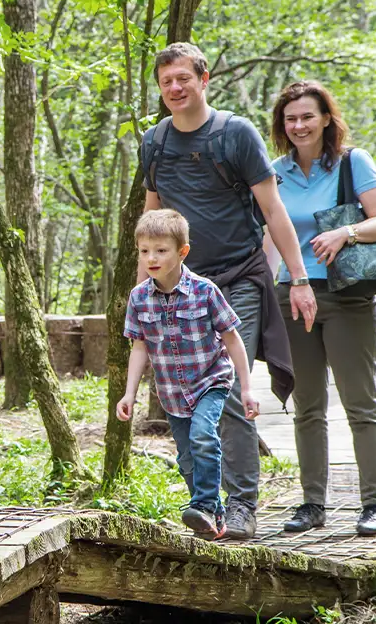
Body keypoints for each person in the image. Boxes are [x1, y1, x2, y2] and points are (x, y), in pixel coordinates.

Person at [138, 42, 314, 540]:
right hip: (179, 290)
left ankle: (241, 507)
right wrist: (143, 290)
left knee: (231, 390)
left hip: (238, 280)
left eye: (183, 79)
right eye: (166, 81)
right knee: (183, 399)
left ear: (204, 78)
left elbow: (274, 210)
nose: (175, 89)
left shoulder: (234, 134)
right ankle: (205, 504)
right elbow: (151, 222)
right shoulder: (153, 143)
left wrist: (298, 279)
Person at [268, 81, 376, 536]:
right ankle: (312, 504)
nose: (299, 125)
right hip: (290, 296)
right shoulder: (275, 171)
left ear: (325, 119)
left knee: (361, 403)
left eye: (307, 116)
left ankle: (373, 503)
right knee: (307, 406)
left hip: (347, 295)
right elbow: (268, 237)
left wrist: (346, 233)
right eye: (290, 118)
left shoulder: (351, 163)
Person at [118, 210, 261, 539]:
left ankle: (205, 504)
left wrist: (247, 388)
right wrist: (129, 394)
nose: (151, 258)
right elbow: (139, 347)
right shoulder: (139, 298)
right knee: (186, 457)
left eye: (161, 250)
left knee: (202, 436)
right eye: (144, 251)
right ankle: (211, 517)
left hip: (211, 381)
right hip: (171, 390)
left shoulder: (205, 291)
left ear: (182, 251)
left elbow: (233, 340)